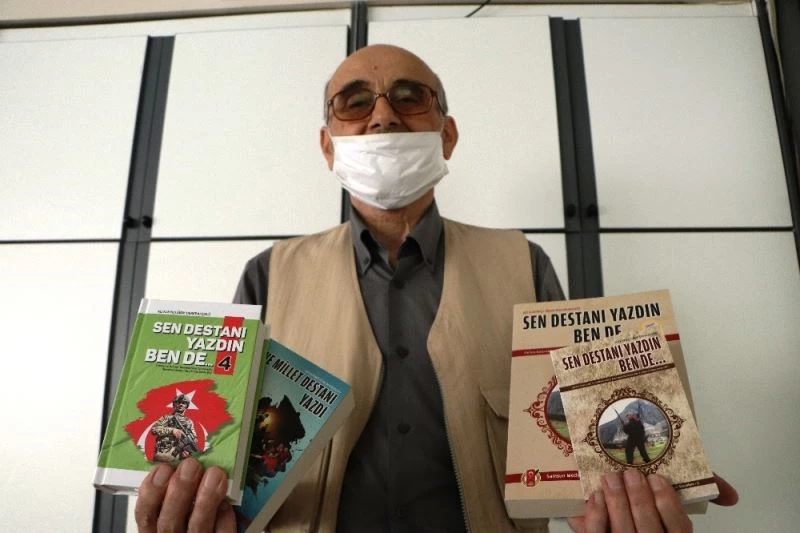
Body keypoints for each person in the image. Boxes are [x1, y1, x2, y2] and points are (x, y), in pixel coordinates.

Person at [134, 44, 738, 533]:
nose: (382, 116)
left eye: (409, 97)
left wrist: (654, 477)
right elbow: (219, 454)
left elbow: (585, 442)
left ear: (447, 135)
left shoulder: (523, 263)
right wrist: (186, 500)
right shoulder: (269, 273)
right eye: (354, 102)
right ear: (327, 146)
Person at [151, 394, 198, 463]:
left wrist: (188, 450)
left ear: (187, 406)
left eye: (183, 403)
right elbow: (154, 429)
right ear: (174, 404)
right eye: (178, 402)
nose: (180, 404)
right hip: (165, 453)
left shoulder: (189, 422)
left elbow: (194, 438)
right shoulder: (167, 418)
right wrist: (172, 430)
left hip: (181, 456)